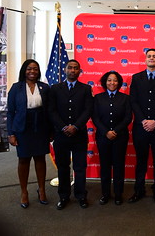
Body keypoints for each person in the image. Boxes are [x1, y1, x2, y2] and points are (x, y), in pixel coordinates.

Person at [128, 48, 155, 206]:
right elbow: (133, 101)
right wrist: (144, 120)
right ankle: (138, 190)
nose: (152, 58)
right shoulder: (136, 78)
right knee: (141, 160)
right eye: (149, 56)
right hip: (140, 127)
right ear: (145, 59)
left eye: (154, 56)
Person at [49, 59, 93, 210]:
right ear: (65, 70)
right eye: (70, 68)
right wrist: (63, 127)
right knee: (63, 167)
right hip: (61, 135)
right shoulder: (55, 88)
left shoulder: (86, 89)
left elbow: (88, 110)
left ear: (79, 71)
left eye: (75, 68)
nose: (72, 70)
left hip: (79, 134)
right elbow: (52, 110)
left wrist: (75, 126)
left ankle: (81, 195)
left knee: (80, 167)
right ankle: (63, 196)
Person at [7, 59, 51, 208]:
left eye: (35, 69)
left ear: (38, 72)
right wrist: (11, 133)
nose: (32, 71)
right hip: (22, 128)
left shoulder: (45, 87)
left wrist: (51, 131)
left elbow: (50, 111)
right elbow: (11, 112)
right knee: (23, 160)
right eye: (29, 69)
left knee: (40, 159)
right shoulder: (16, 88)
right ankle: (24, 192)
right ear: (24, 71)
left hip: (41, 127)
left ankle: (42, 190)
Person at [92, 71, 132, 206]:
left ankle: (118, 194)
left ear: (119, 83)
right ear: (105, 82)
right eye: (109, 80)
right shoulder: (98, 98)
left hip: (120, 137)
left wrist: (115, 131)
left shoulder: (125, 98)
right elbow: (95, 118)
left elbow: (128, 118)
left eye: (115, 80)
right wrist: (106, 132)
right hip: (103, 137)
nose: (112, 83)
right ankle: (105, 194)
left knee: (119, 166)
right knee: (105, 166)